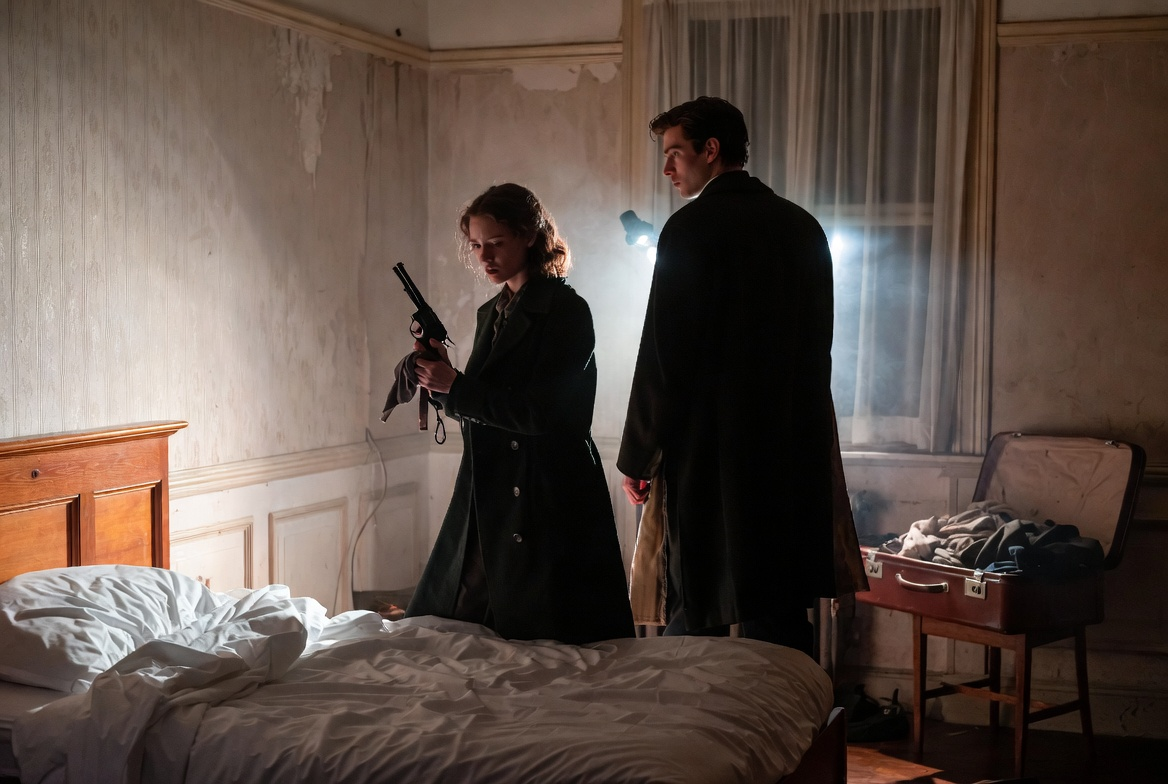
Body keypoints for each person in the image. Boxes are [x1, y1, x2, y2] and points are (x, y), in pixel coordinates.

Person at [618, 96, 863, 656]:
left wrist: (638, 455)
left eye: (675, 152)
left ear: (711, 149)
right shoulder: (802, 227)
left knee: (697, 604)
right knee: (779, 610)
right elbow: (817, 349)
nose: (667, 168)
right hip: (789, 446)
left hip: (710, 452)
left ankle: (690, 712)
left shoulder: (688, 230)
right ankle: (797, 711)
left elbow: (663, 358)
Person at [405, 183, 635, 646]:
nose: (485, 257)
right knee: (457, 626)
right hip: (492, 488)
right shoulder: (492, 311)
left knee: (557, 641)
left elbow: (544, 414)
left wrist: (458, 388)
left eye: (496, 242)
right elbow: (482, 404)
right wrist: (442, 379)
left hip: (546, 491)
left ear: (529, 236)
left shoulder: (566, 310)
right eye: (476, 245)